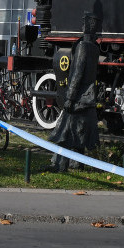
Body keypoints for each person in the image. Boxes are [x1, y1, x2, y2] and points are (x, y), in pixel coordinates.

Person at [46, 13, 100, 172]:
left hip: (77, 98)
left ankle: (59, 165)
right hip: (88, 97)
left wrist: (69, 97)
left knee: (64, 133)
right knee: (79, 134)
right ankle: (76, 164)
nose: (82, 27)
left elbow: (77, 73)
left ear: (88, 26)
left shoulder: (83, 46)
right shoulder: (95, 48)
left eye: (84, 24)